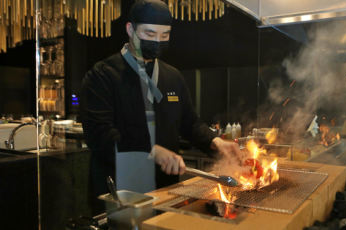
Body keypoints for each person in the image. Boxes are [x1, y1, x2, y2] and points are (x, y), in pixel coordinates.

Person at [80, 0, 241, 213]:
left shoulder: (172, 76)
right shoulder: (103, 75)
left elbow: (189, 123)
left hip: (165, 190)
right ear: (130, 29)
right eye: (149, 34)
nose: (157, 41)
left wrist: (214, 141)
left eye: (164, 36)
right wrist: (152, 151)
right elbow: (99, 134)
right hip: (119, 190)